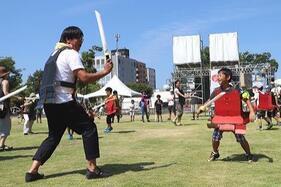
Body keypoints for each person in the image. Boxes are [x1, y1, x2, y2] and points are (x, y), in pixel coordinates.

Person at [25, 26, 113, 182]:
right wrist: (104, 72)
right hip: (63, 100)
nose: (81, 42)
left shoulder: (54, 55)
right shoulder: (71, 53)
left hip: (50, 101)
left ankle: (32, 171)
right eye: (79, 38)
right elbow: (84, 77)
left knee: (54, 136)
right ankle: (92, 169)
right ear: (68, 40)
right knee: (89, 128)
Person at [200, 68, 255, 162]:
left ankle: (248, 154)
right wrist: (203, 107)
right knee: (215, 138)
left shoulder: (237, 90)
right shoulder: (216, 91)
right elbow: (210, 101)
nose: (218, 78)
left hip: (235, 118)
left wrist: (252, 112)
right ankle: (215, 152)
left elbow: (246, 99)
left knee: (241, 138)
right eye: (217, 76)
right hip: (220, 118)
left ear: (228, 77)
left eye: (220, 75)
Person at [0, 66, 13, 151]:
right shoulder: (5, 81)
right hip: (3, 107)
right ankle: (1, 145)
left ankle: (2, 144)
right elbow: (6, 93)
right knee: (6, 125)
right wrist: (16, 97)